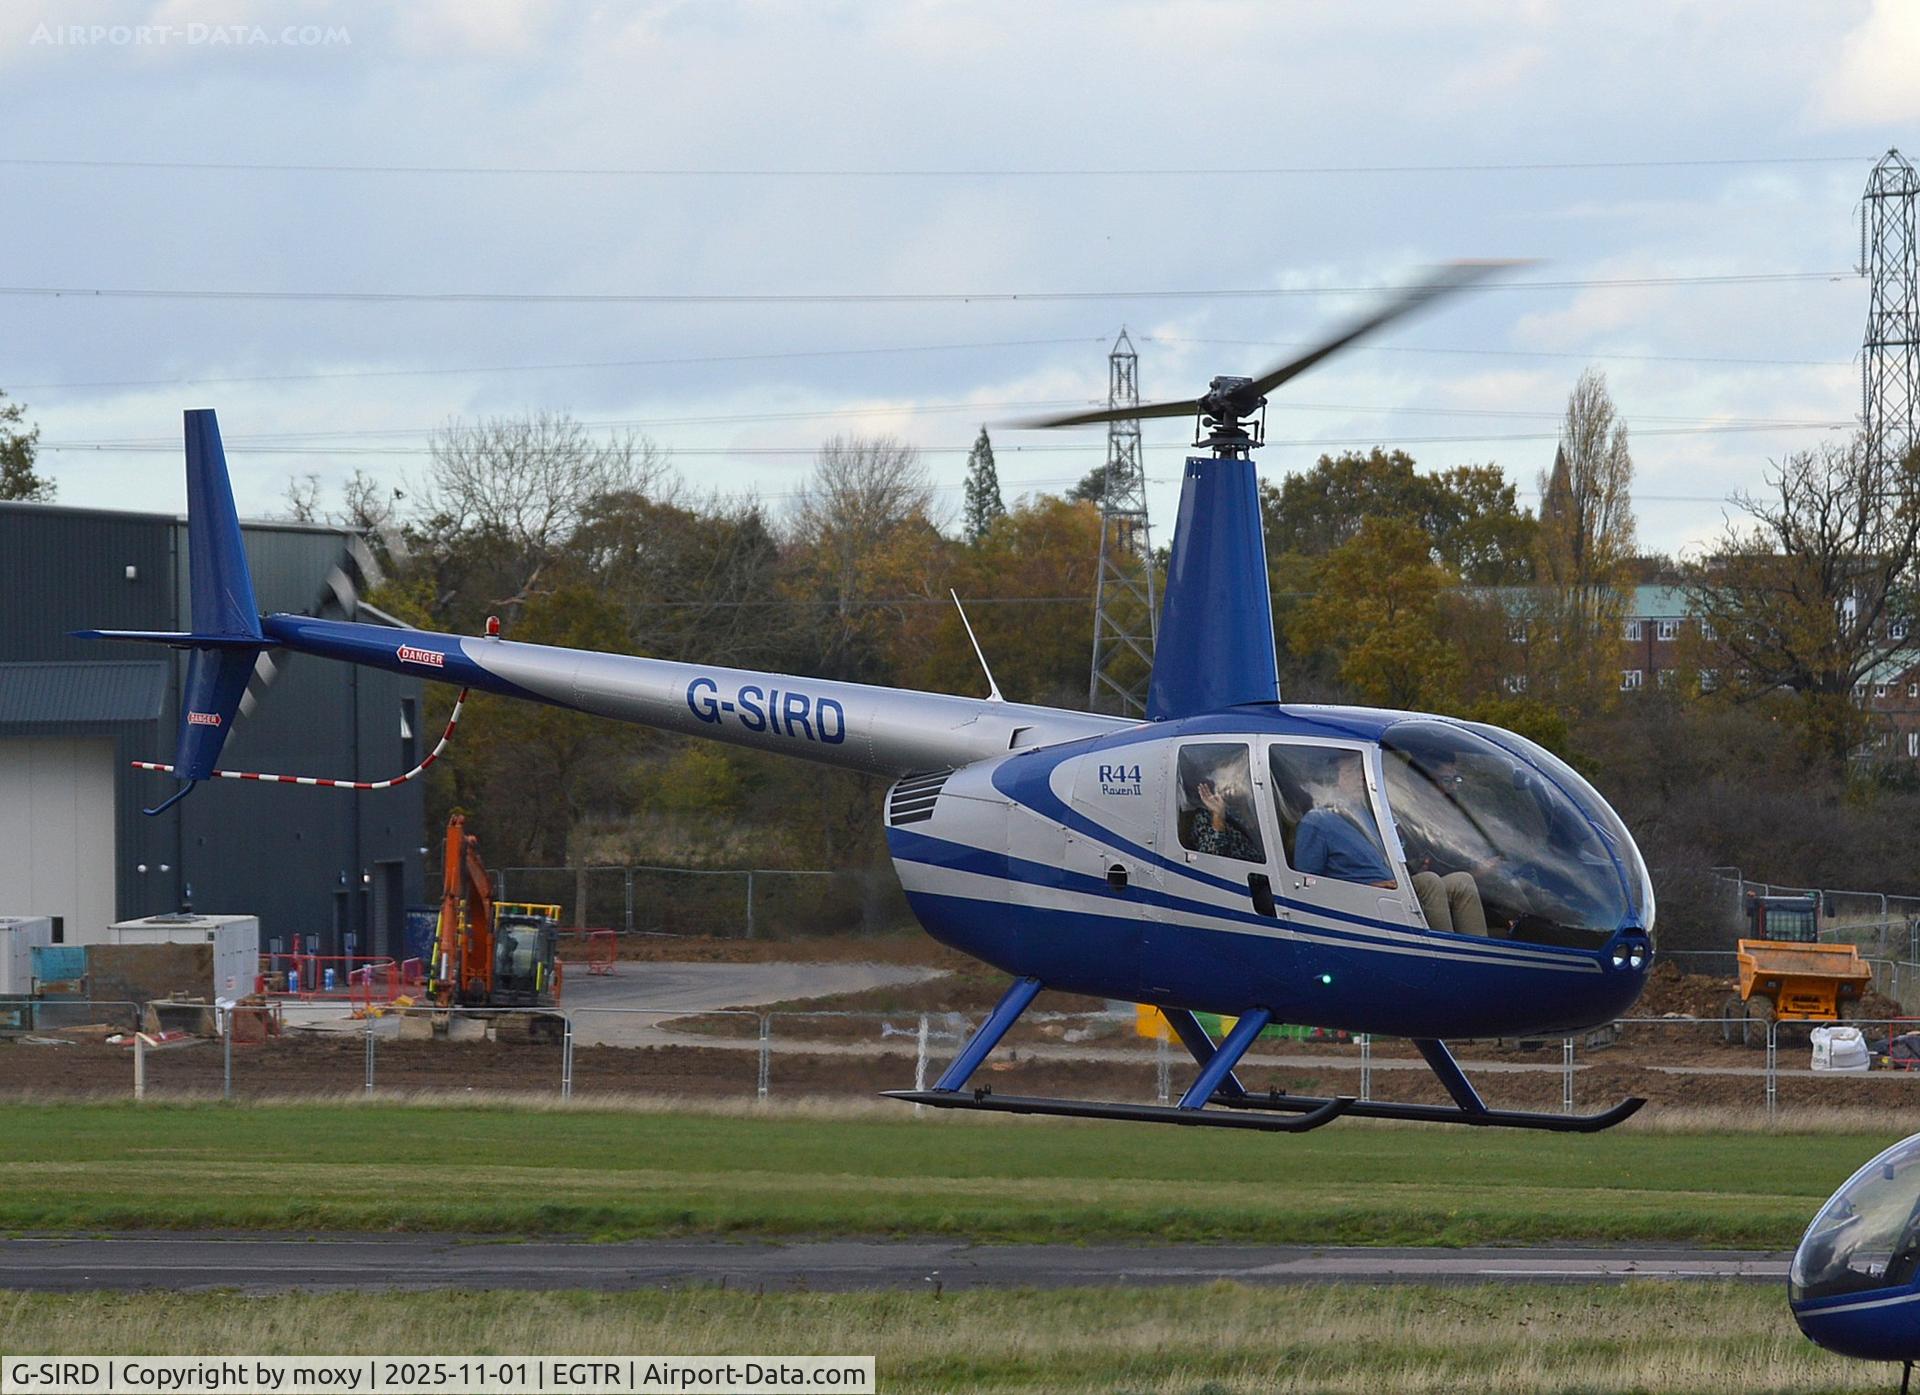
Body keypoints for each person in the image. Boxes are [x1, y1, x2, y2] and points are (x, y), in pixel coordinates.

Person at [1291, 755, 1396, 887]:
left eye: (1361, 770)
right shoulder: (1316, 821)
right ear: (1333, 779)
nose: (1361, 777)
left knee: (1427, 880)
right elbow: (1307, 884)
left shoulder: (1365, 813)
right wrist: (1370, 889)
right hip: (1363, 900)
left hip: (1396, 890)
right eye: (1351, 771)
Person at [1189, 777, 1261, 861]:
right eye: (1224, 778)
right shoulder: (1205, 816)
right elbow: (1209, 857)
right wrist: (1218, 816)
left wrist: (1244, 807)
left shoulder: (1252, 810)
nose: (1233, 784)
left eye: (1239, 777)